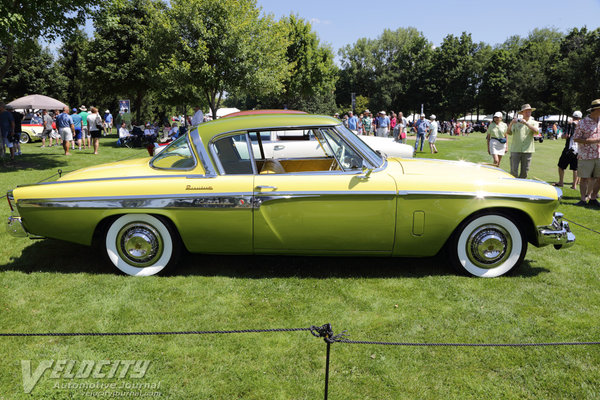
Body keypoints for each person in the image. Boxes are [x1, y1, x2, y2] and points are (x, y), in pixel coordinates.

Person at [572, 99, 600, 207]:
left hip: (599, 154)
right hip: (586, 155)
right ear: (596, 110)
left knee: (598, 178)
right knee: (584, 178)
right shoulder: (583, 122)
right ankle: (583, 200)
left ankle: (593, 198)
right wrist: (592, 141)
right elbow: (576, 138)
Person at [507, 104, 539, 179]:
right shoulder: (516, 122)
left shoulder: (534, 122)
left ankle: (521, 188)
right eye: (526, 112)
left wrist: (526, 123)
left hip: (528, 150)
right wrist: (511, 123)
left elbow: (536, 132)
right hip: (515, 149)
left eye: (529, 112)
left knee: (525, 172)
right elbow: (509, 132)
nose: (528, 113)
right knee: (513, 171)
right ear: (522, 113)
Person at [555, 111, 582, 189]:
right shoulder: (581, 125)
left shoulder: (571, 124)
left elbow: (565, 136)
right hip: (577, 149)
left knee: (562, 166)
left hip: (570, 149)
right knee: (574, 168)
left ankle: (562, 182)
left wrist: (570, 125)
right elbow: (565, 136)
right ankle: (573, 185)